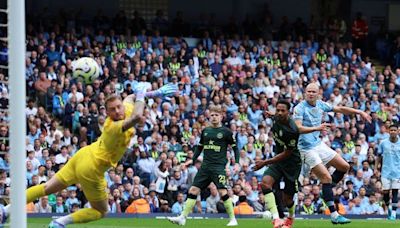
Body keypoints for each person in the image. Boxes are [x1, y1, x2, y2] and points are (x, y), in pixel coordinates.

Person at [0, 84, 178, 227]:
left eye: (118, 107)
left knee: (47, 188)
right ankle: (60, 223)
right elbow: (138, 116)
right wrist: (142, 94)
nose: (117, 111)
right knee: (101, 211)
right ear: (107, 113)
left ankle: (6, 211)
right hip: (92, 168)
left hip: (82, 155)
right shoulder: (112, 126)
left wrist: (155, 93)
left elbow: (130, 98)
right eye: (112, 110)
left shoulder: (126, 107)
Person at [293, 83, 371, 224]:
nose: (310, 94)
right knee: (326, 177)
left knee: (344, 167)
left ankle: (326, 191)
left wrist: (359, 112)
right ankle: (334, 214)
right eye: (308, 91)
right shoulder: (299, 108)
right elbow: (298, 128)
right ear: (305, 93)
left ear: (318, 93)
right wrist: (317, 127)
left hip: (318, 144)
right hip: (306, 148)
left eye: (313, 92)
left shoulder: (321, 104)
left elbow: (340, 109)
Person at [168, 104, 240, 226]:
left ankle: (233, 219)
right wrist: (191, 160)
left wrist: (237, 163)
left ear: (221, 117)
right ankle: (183, 217)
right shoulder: (206, 131)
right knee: (193, 190)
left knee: (223, 192)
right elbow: (199, 147)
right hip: (205, 167)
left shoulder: (226, 132)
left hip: (218, 167)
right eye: (211, 115)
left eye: (216, 115)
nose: (214, 117)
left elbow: (235, 149)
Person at [253, 100, 301, 228]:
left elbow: (287, 153)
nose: (279, 113)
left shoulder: (292, 130)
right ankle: (276, 219)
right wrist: (271, 114)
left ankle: (290, 217)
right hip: (278, 162)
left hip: (291, 164)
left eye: (282, 111)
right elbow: (275, 115)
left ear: (289, 112)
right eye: (277, 110)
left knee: (287, 199)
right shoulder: (277, 118)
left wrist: (265, 162)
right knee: (265, 183)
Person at [376, 124, 400, 220]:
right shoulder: (383, 143)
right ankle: (389, 208)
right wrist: (375, 168)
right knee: (385, 192)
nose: (393, 132)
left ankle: (393, 213)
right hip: (385, 171)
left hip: (397, 172)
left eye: (395, 130)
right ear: (388, 131)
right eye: (391, 130)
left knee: (395, 192)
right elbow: (378, 156)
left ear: (398, 131)